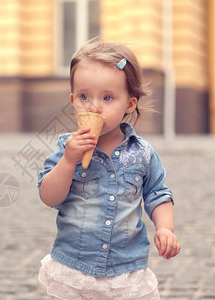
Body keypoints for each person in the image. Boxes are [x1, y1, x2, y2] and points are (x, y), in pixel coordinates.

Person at [37, 41, 180, 299]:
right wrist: (69, 161)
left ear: (130, 104)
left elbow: (157, 193)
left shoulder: (142, 153)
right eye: (84, 97)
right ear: (72, 100)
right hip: (75, 267)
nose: (94, 107)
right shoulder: (66, 148)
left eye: (107, 98)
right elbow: (49, 197)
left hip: (125, 271)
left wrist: (165, 228)